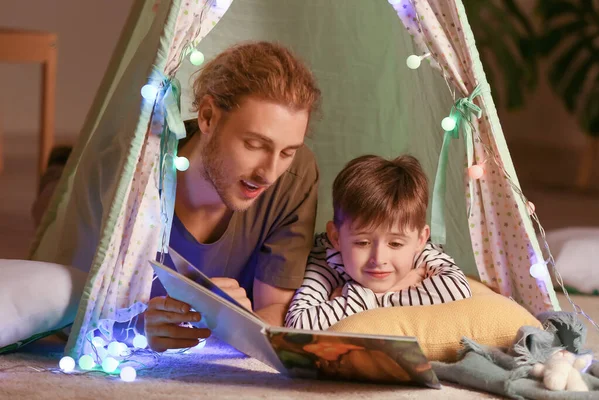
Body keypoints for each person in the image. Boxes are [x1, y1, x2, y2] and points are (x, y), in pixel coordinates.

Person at [34, 42, 322, 352]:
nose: (269, 172)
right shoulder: (131, 172)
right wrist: (137, 327)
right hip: (96, 186)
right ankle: (58, 167)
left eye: (288, 151)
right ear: (208, 116)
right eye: (254, 145)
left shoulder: (295, 176)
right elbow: (72, 316)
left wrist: (238, 321)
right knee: (54, 201)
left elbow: (277, 312)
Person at [284, 155, 472, 331]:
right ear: (336, 237)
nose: (379, 259)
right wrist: (367, 295)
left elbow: (457, 289)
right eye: (363, 242)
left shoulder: (421, 253)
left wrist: (370, 298)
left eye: (396, 244)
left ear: (420, 239)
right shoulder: (326, 257)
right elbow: (298, 325)